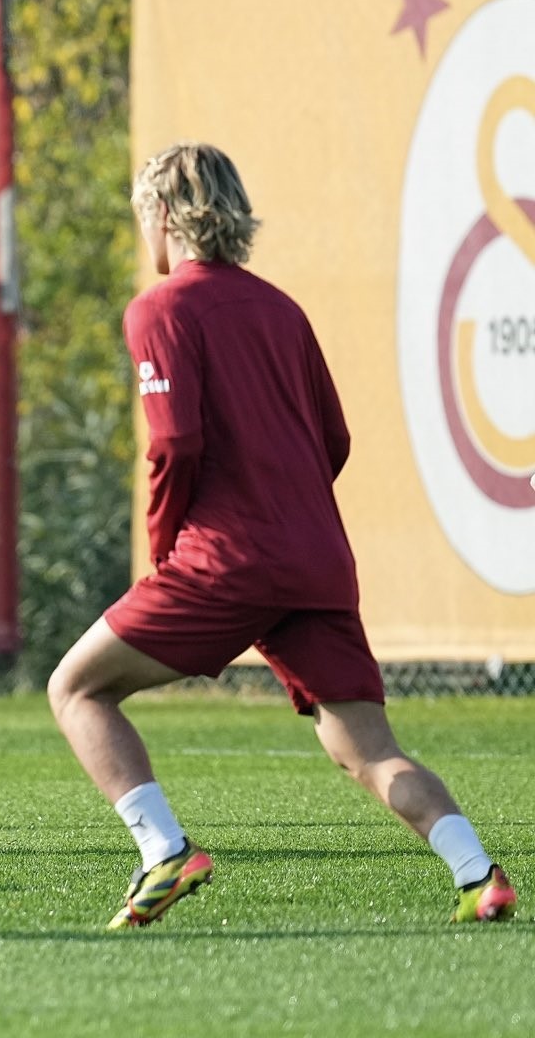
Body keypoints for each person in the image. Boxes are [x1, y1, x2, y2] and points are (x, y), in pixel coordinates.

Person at [46, 142, 516, 928]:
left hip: (226, 559)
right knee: (363, 747)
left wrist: (168, 548)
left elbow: (174, 445)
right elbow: (334, 440)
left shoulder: (158, 310)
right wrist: (287, 514)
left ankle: (163, 851)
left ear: (163, 216)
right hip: (316, 559)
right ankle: (479, 873)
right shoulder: (282, 308)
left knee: (77, 687)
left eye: (142, 219)